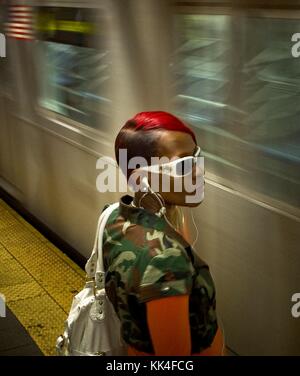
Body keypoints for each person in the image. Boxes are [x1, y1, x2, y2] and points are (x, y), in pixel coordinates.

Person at [102, 111, 224, 356]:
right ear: (142, 177)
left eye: (198, 158)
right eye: (185, 165)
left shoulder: (114, 216)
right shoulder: (166, 259)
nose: (199, 172)